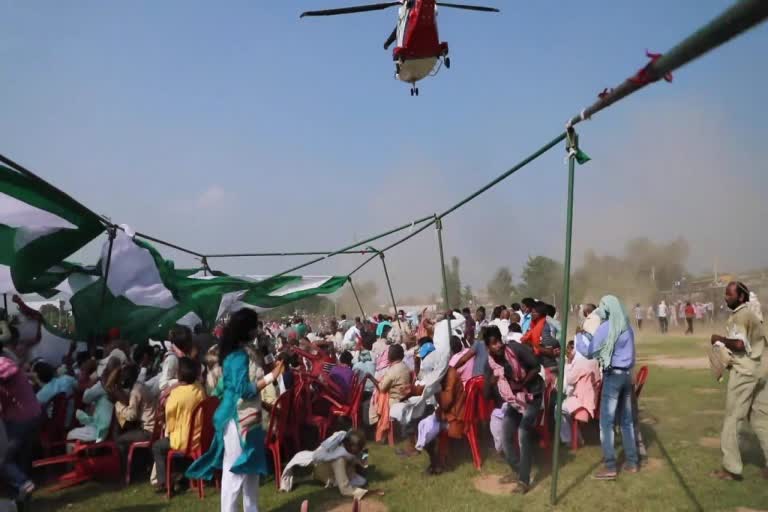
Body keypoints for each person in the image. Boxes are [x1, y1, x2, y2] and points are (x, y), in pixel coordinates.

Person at [186, 308, 284, 512]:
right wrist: (271, 377)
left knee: (250, 468)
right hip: (239, 420)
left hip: (242, 417)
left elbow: (223, 387)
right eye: (254, 327)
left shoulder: (230, 354)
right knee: (237, 470)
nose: (257, 331)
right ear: (246, 330)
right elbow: (243, 390)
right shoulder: (238, 356)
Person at [709, 282, 768, 482]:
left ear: (741, 297)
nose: (726, 297)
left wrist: (719, 339)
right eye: (725, 293)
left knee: (732, 419)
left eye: (729, 294)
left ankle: (731, 468)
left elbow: (740, 344)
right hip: (761, 370)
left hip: (744, 371)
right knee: (761, 419)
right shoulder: (753, 315)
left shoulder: (741, 316)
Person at [575, 295, 638, 480]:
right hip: (627, 376)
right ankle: (632, 462)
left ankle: (610, 466)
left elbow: (589, 352)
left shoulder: (606, 327)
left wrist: (581, 336)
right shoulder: (628, 328)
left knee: (606, 423)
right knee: (627, 422)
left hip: (613, 377)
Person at [483, 325, 543, 494]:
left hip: (532, 395)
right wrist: (493, 380)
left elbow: (536, 366)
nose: (498, 346)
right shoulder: (491, 363)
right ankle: (519, 471)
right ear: (488, 347)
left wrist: (522, 384)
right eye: (493, 344)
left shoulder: (515, 348)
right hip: (515, 400)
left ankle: (524, 481)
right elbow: (486, 394)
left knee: (523, 433)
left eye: (498, 341)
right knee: (505, 435)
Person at [152, 356, 205, 493]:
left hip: (182, 440)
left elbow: (169, 424)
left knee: (158, 447)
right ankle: (180, 476)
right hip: (199, 438)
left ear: (179, 374)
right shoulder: (199, 389)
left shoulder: (175, 395)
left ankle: (164, 483)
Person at [280, 429, 382, 499]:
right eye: (358, 448)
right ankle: (332, 481)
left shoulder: (345, 440)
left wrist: (361, 461)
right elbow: (345, 489)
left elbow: (362, 455)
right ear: (350, 447)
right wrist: (370, 492)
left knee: (361, 480)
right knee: (358, 481)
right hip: (326, 474)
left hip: (327, 469)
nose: (359, 450)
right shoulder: (339, 458)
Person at [0, 356, 41, 501]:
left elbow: (10, 371)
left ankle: (24, 483)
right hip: (26, 416)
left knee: (5, 461)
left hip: (22, 418)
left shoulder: (3, 363)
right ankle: (22, 498)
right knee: (20, 458)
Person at [105, 363, 157, 470]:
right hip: (155, 428)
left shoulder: (135, 391)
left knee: (119, 439)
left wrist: (118, 405)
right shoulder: (141, 386)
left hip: (148, 432)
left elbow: (131, 416)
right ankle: (139, 464)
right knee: (128, 431)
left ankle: (127, 471)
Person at [32, 360, 77, 427]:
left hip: (56, 428)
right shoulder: (67, 379)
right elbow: (79, 388)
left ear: (36, 376)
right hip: (74, 419)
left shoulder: (40, 396)